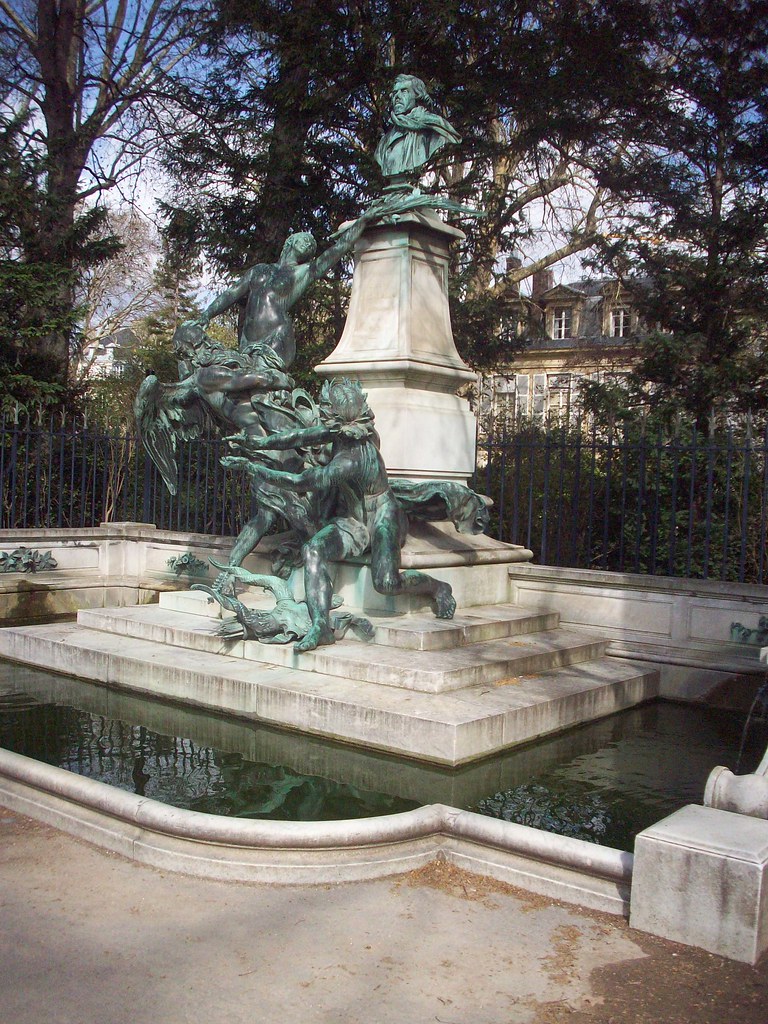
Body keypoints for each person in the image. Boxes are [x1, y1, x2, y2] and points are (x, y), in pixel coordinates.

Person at [221, 378, 456, 653]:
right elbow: (299, 437)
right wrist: (257, 443)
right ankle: (321, 626)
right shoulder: (347, 431)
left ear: (336, 416)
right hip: (352, 519)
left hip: (382, 517)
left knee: (387, 582)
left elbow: (302, 482)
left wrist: (254, 468)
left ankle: (438, 587)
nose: (320, 413)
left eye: (324, 408)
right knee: (313, 550)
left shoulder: (351, 459)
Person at [195, 205, 389, 369]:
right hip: (248, 339)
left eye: (312, 245)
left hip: (276, 337)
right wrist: (206, 315)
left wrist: (363, 222)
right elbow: (231, 294)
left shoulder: (303, 272)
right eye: (305, 240)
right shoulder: (259, 270)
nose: (309, 245)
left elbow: (336, 250)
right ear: (290, 241)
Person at [374, 74, 461, 181]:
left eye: (404, 91)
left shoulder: (435, 127)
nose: (397, 97)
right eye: (394, 93)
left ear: (417, 95)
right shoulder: (384, 142)